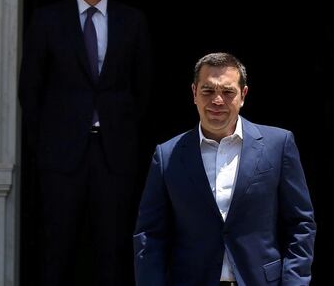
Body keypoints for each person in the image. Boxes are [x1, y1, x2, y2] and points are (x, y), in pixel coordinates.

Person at [18, 0, 152, 285]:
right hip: (61, 154)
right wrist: (44, 141)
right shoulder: (48, 21)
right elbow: (30, 88)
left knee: (113, 247)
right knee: (57, 246)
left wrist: (122, 128)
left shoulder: (132, 21)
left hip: (114, 153)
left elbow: (143, 87)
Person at [133, 52, 316, 286]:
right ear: (194, 93)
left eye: (228, 92)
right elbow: (150, 236)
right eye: (208, 91)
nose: (217, 100)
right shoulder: (167, 155)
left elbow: (300, 224)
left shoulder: (278, 145)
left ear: (243, 95)